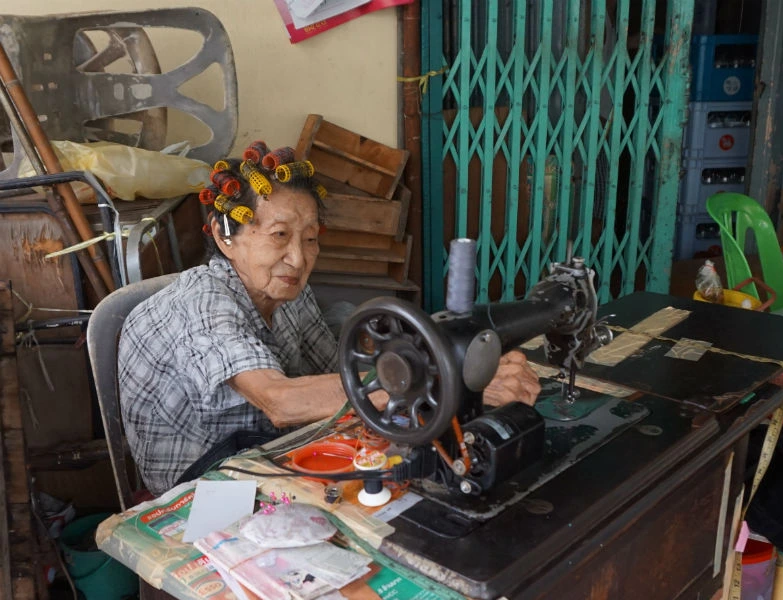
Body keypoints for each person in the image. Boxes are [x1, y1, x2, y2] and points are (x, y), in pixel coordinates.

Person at [118, 141, 542, 495]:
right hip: (198, 485)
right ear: (225, 237)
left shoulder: (286, 290)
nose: (299, 258)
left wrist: (432, 368)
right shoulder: (204, 303)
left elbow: (340, 373)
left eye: (311, 239)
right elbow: (280, 402)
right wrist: (437, 384)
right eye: (279, 236)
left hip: (262, 448)